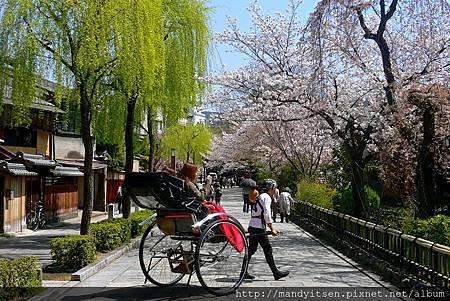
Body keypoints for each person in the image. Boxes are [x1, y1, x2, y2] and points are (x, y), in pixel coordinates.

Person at [245, 178, 289, 281]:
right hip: (259, 227)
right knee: (267, 249)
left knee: (251, 249)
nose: (275, 190)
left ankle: (243, 271)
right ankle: (276, 273)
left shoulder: (260, 196)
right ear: (271, 188)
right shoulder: (266, 197)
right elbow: (267, 214)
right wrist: (272, 229)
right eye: (274, 188)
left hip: (253, 225)